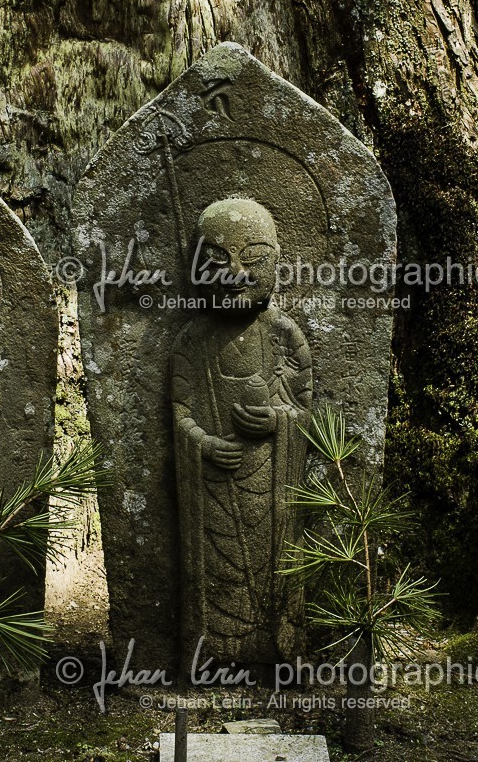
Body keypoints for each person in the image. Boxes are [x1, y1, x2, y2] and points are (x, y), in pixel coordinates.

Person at [172, 197, 311, 666]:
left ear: (276, 263)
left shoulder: (284, 336)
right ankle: (213, 654)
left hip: (274, 487)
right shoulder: (192, 340)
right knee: (220, 570)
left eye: (252, 260)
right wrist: (204, 443)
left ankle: (277, 650)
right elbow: (180, 413)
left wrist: (278, 422)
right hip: (213, 485)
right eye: (216, 260)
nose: (234, 273)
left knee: (276, 565)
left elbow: (306, 416)